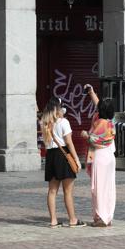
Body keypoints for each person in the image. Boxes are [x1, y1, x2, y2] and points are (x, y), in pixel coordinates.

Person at [41, 97, 86, 228]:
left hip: (50, 156)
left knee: (52, 191)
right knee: (68, 191)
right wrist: (76, 159)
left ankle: (53, 220)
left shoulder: (44, 123)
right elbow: (69, 142)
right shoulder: (63, 122)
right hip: (63, 155)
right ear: (58, 108)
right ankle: (73, 219)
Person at [81, 84, 116, 227]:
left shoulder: (100, 122)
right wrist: (91, 92)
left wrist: (85, 135)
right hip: (110, 157)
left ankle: (100, 217)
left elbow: (93, 139)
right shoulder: (110, 122)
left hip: (100, 157)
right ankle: (107, 216)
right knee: (108, 188)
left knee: (98, 188)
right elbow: (99, 105)